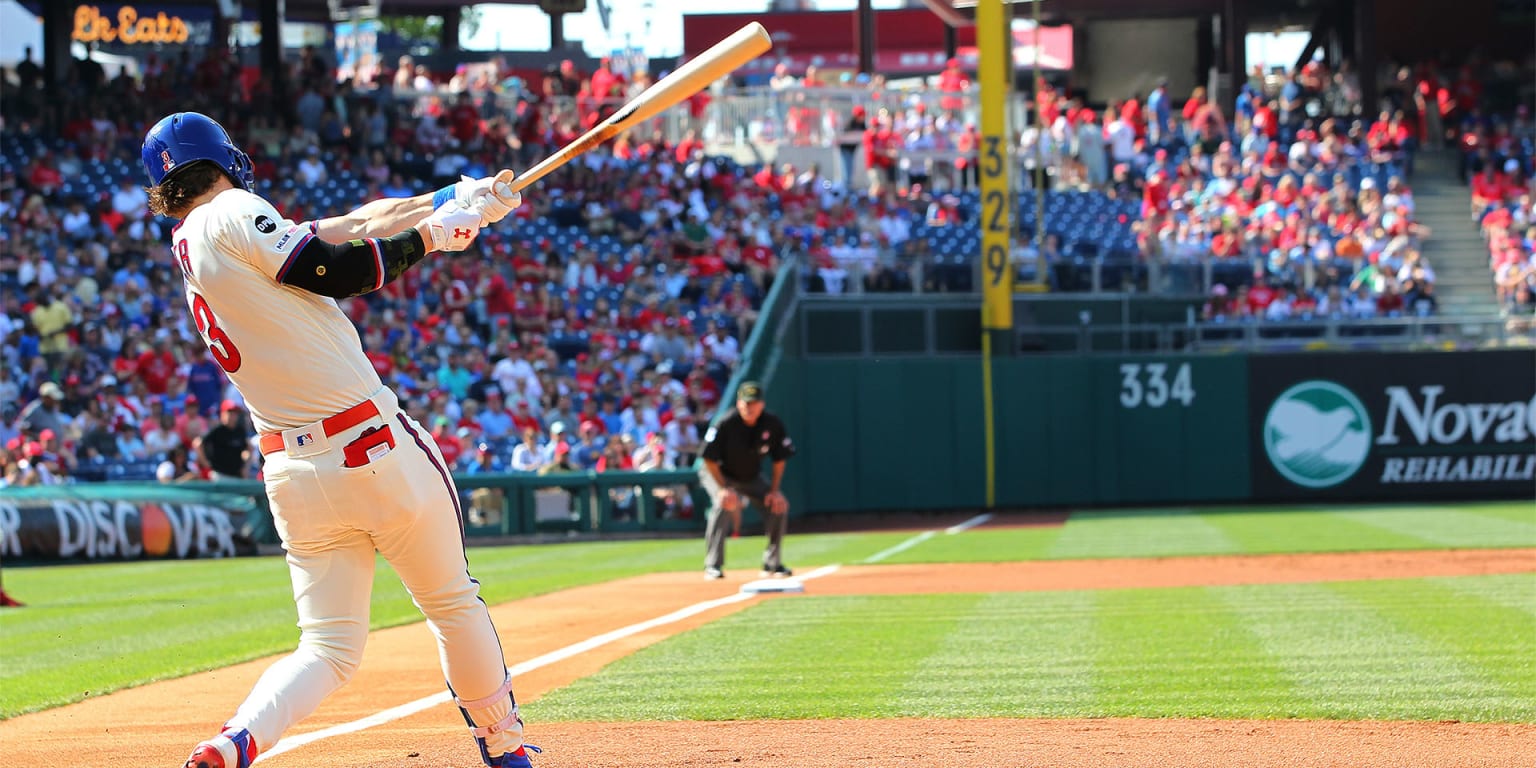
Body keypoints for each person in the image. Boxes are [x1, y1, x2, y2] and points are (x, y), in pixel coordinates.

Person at [140, 112, 538, 768]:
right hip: (371, 444)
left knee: (327, 647)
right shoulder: (235, 209)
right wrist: (433, 237)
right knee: (451, 603)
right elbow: (331, 268)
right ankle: (505, 747)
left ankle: (233, 742)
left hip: (292, 473)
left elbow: (352, 225)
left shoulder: (196, 243)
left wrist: (453, 197)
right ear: (223, 158)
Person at [699, 381, 796, 580]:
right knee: (723, 502)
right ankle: (712, 565)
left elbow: (779, 459)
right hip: (719, 473)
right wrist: (723, 488)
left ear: (761, 404)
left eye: (753, 403)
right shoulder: (726, 422)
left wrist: (774, 491)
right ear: (738, 403)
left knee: (778, 506)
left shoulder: (772, 423)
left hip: (750, 476)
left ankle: (772, 563)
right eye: (746, 403)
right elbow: (708, 459)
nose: (749, 408)